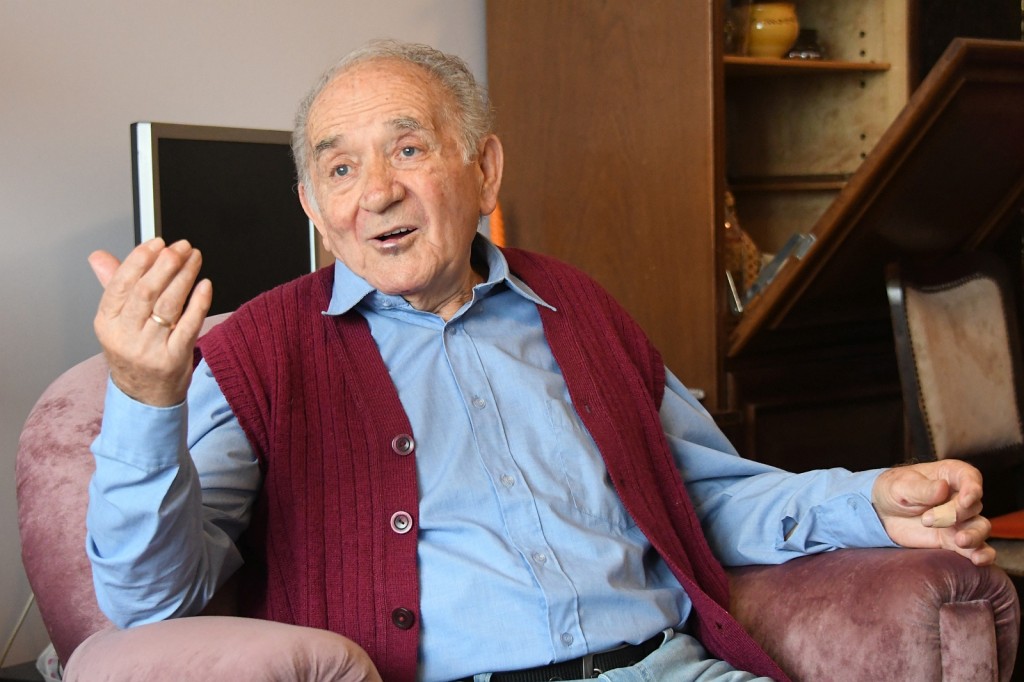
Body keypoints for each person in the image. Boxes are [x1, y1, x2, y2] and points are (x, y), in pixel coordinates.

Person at [86, 40, 994, 682]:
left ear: (484, 171)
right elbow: (152, 603)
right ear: (313, 207)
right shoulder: (256, 356)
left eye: (409, 149)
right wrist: (144, 398)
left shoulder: (579, 309)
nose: (378, 193)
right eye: (341, 170)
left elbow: (697, 494)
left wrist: (867, 504)